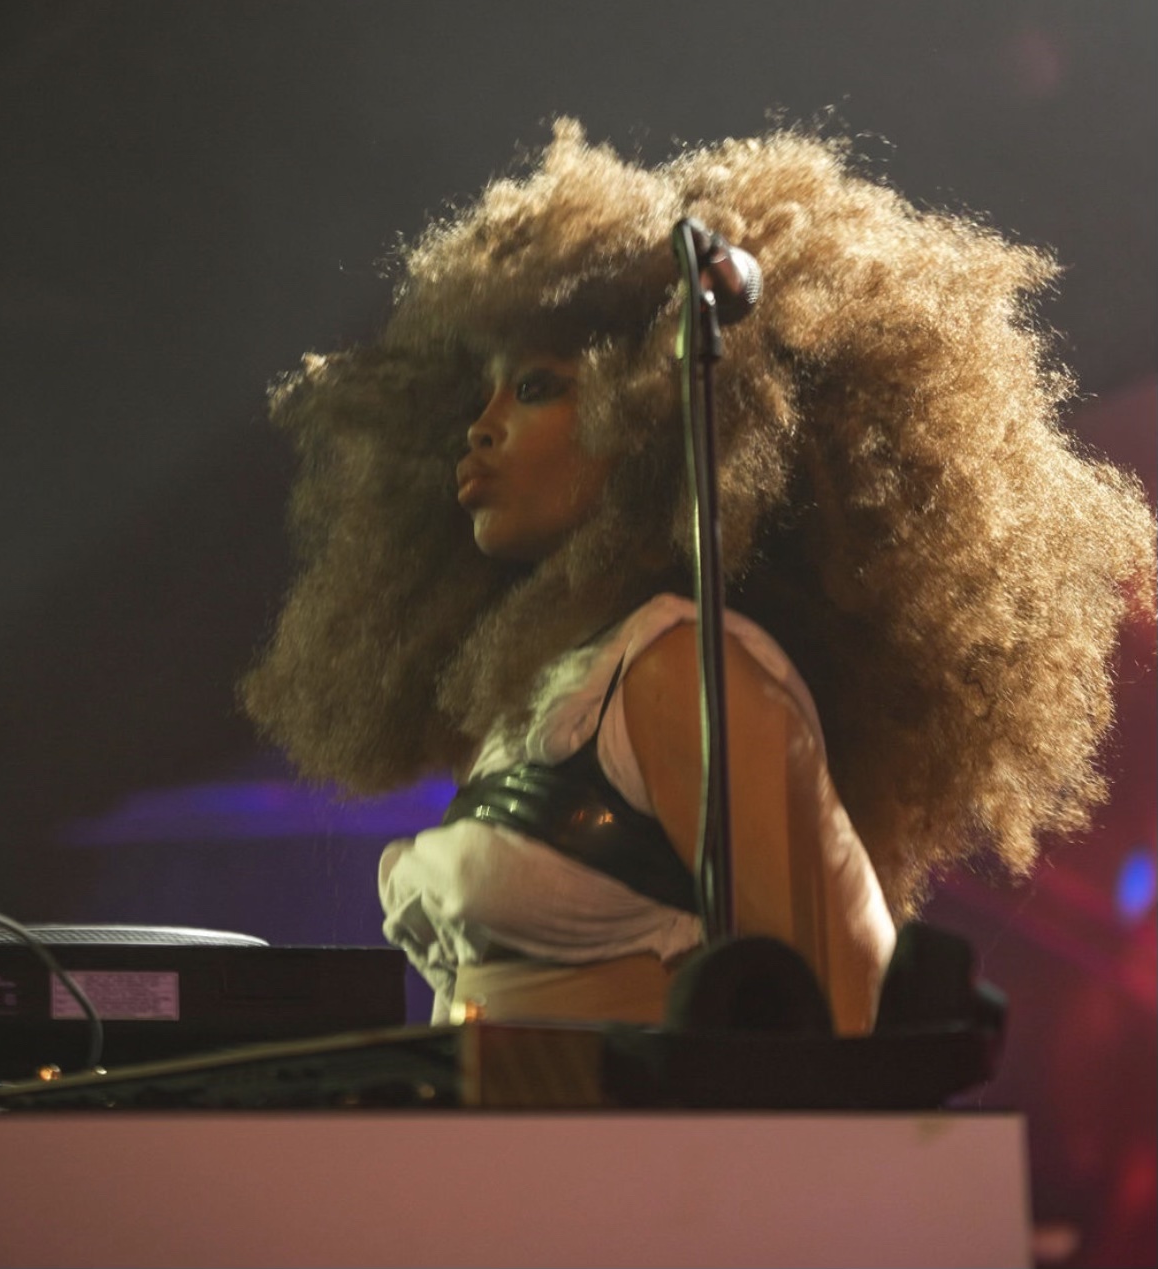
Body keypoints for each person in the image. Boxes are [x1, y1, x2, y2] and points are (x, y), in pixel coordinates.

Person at [241, 118, 1155, 1035]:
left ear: (646, 413)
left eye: (535, 387)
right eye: (483, 395)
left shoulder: (678, 667)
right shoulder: (548, 699)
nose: (481, 427)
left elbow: (847, 1008)